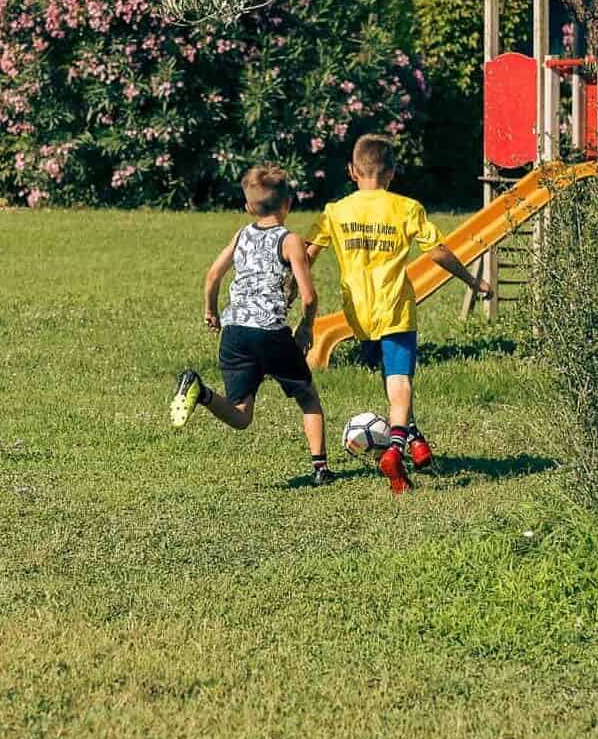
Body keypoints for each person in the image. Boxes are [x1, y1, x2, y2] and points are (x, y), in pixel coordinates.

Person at [305, 134, 490, 494]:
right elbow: (436, 252)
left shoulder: (336, 211)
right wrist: (470, 279)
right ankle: (395, 450)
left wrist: (287, 291)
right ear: (391, 173)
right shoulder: (406, 208)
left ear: (351, 171)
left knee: (391, 383)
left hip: (358, 314)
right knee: (400, 383)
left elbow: (307, 256)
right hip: (395, 309)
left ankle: (417, 442)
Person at [170, 163, 333, 485]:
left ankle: (200, 391)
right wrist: (306, 327)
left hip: (234, 333)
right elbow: (310, 296)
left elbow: (213, 274)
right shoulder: (290, 240)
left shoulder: (241, 234)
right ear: (288, 203)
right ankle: (320, 469)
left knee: (241, 414)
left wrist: (211, 312)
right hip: (270, 332)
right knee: (307, 397)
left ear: (248, 207)